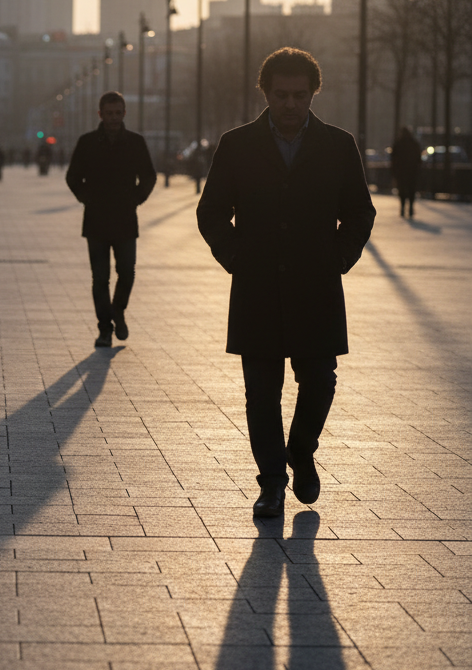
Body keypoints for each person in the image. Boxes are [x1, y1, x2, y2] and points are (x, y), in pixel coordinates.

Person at [197, 47, 376, 518]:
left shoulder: (339, 145)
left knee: (319, 380)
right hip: (257, 288)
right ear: (265, 93)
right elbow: (211, 211)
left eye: (300, 95)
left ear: (314, 93)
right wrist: (236, 257)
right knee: (261, 390)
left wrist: (338, 257)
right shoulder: (236, 145)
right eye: (281, 95)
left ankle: (301, 448)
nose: (291, 104)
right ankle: (272, 482)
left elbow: (360, 211)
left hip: (316, 286)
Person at [65, 91, 157, 349]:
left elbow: (149, 176)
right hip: (96, 221)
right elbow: (73, 177)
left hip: (126, 220)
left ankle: (118, 310)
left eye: (118, 113)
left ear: (124, 113)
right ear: (101, 114)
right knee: (100, 278)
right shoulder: (87, 142)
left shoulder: (136, 143)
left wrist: (136, 199)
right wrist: (86, 198)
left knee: (127, 272)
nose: (114, 118)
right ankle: (105, 329)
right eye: (109, 113)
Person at [390, 126, 421, 218]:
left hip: (401, 171)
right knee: (411, 189)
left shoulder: (398, 143)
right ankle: (411, 207)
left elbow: (393, 159)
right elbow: (418, 158)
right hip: (412, 171)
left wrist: (394, 171)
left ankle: (403, 207)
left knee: (402, 189)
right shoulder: (414, 144)